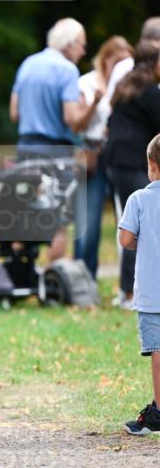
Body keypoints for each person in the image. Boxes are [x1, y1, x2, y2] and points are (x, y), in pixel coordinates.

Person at [9, 18, 89, 262]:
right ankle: (49, 278)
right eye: (82, 46)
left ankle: (17, 274)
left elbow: (14, 113)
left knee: (24, 213)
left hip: (25, 148)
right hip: (56, 152)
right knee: (58, 220)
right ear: (70, 44)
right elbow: (71, 118)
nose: (83, 52)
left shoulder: (28, 64)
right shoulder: (67, 70)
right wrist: (89, 107)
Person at [106, 42, 160, 309]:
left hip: (115, 161)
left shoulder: (125, 85)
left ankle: (128, 290)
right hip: (131, 162)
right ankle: (129, 292)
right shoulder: (149, 92)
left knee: (135, 221)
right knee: (141, 222)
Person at [73, 36, 132, 278]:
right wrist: (95, 102)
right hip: (92, 154)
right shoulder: (86, 83)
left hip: (117, 155)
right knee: (89, 219)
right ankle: (83, 277)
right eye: (117, 61)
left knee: (127, 218)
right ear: (105, 58)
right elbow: (78, 125)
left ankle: (127, 281)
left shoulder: (127, 86)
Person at [118, 133, 160, 435]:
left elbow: (125, 239)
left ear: (152, 166)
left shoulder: (139, 199)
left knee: (158, 352)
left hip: (152, 294)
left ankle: (159, 410)